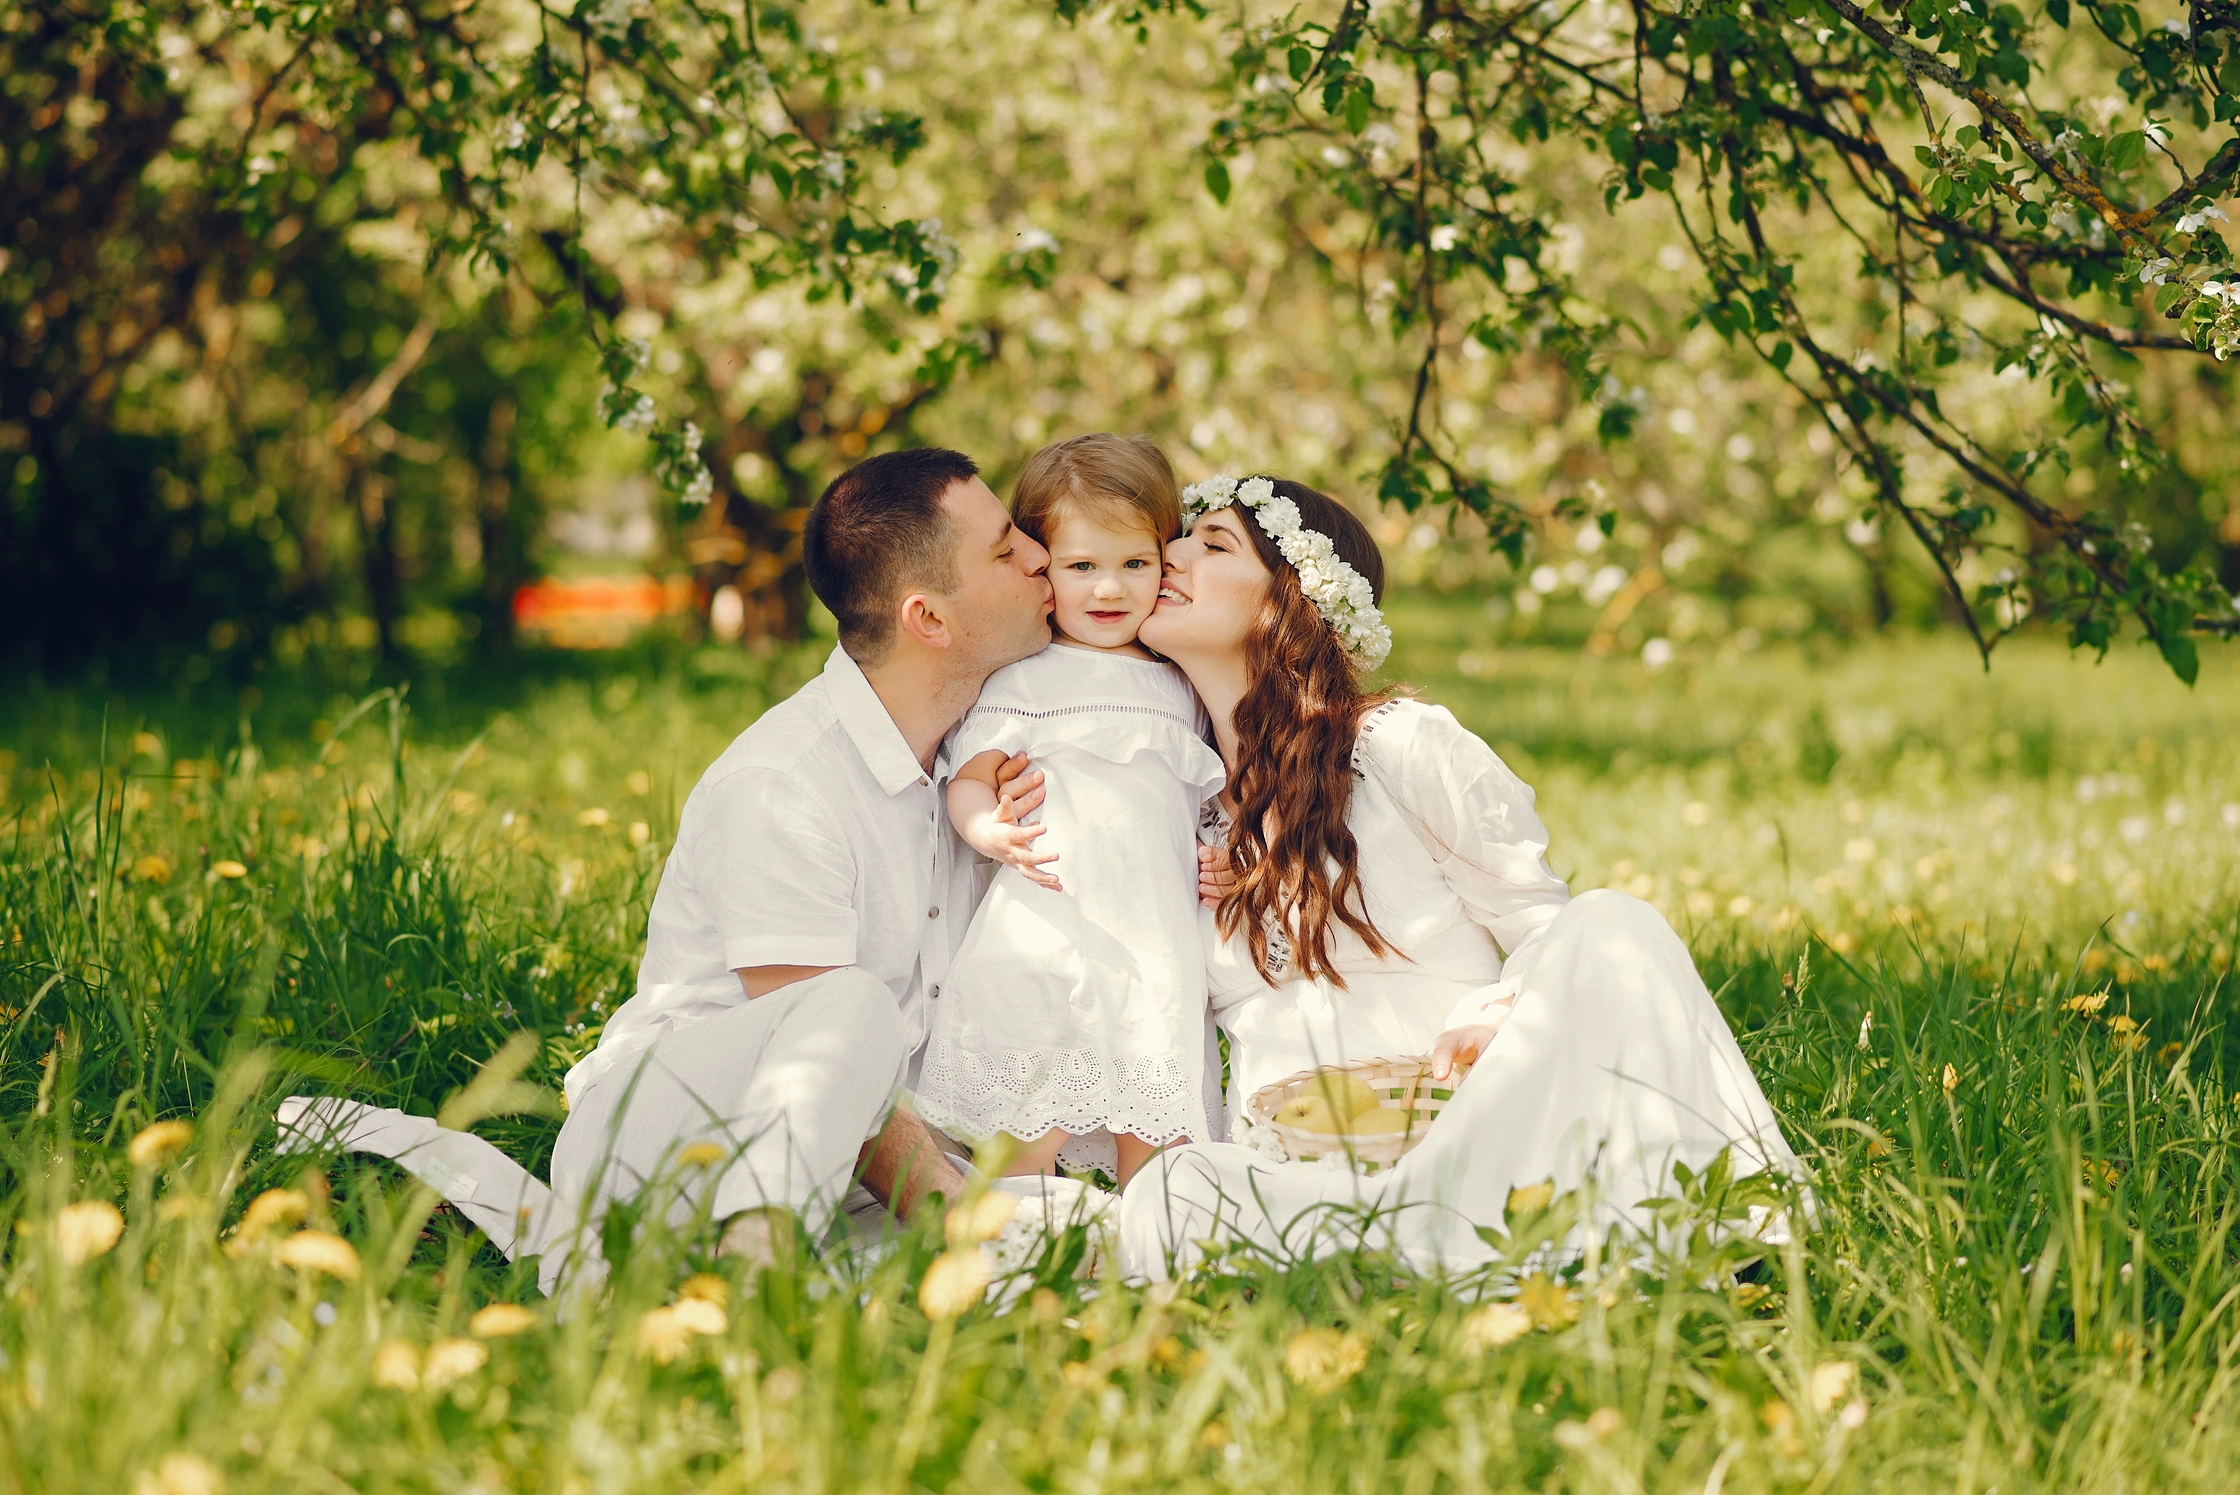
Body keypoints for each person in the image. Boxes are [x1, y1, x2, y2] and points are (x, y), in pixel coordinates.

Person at [278, 447, 1059, 1284]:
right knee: (848, 1006)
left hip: (844, 1179)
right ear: (928, 619)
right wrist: (960, 1215)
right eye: (1006, 548)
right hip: (667, 1149)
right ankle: (753, 1275)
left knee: (1119, 1232)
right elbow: (827, 1060)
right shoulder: (784, 784)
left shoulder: (983, 763)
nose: (1040, 557)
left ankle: (778, 1268)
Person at [1116, 475, 1803, 1278]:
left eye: (1215, 543)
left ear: (1290, 597)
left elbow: (1545, 924)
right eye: (1183, 537)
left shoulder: (1394, 747)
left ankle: (1691, 1232)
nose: (1174, 553)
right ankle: (1458, 1261)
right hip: (1307, 1177)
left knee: (1615, 923)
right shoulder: (1178, 804)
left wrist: (1507, 1008)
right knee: (1173, 1190)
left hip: (1480, 1131)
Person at [913, 435, 1226, 1188]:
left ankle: (1160, 1260)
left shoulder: (1180, 683)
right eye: (1082, 565)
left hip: (1153, 941)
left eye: (1134, 564)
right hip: (1049, 931)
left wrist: (1217, 852)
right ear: (1041, 566)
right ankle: (1011, 1250)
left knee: (1156, 1133)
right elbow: (973, 777)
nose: (1109, 589)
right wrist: (987, 826)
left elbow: (1201, 805)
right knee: (1030, 1126)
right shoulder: (1028, 677)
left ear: (1165, 558)